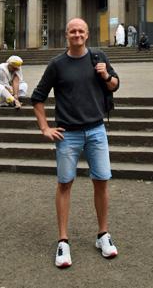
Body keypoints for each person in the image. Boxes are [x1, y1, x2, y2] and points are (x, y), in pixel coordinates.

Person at [30, 17, 120, 268]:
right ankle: (63, 241)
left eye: (81, 31)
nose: (77, 34)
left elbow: (115, 85)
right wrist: (45, 128)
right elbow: (37, 98)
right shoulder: (57, 64)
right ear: (66, 35)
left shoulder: (98, 57)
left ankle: (103, 235)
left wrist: (105, 75)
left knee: (101, 181)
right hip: (68, 134)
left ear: (87, 34)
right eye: (73, 31)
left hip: (96, 130)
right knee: (65, 184)